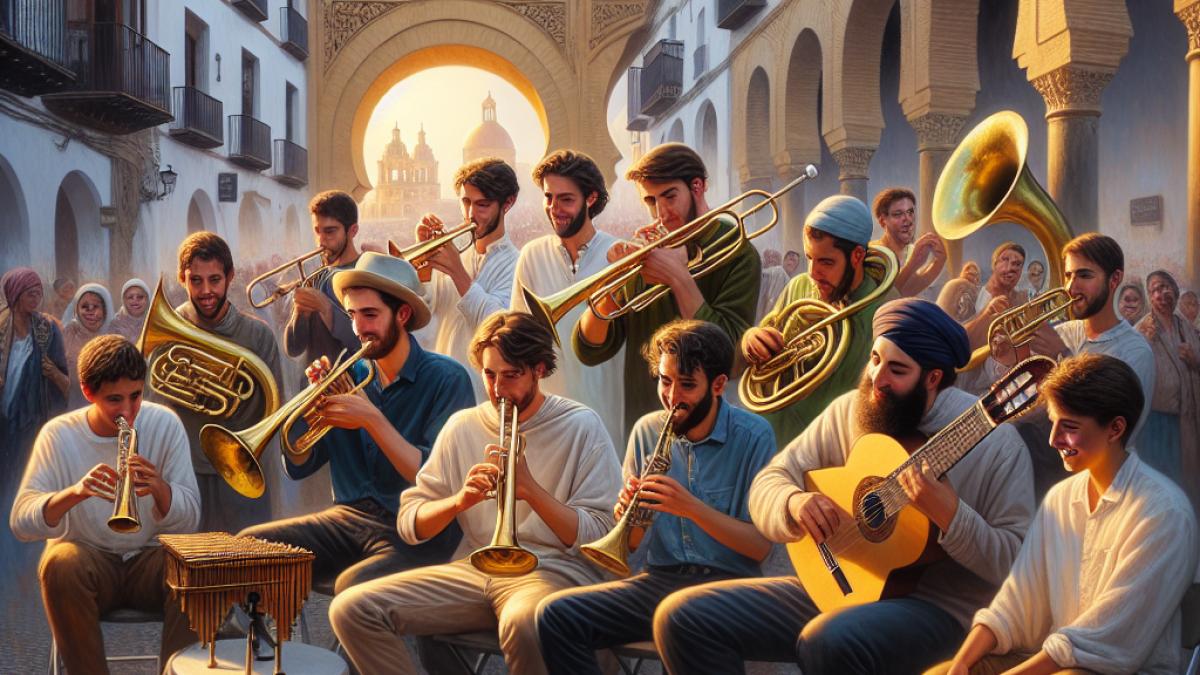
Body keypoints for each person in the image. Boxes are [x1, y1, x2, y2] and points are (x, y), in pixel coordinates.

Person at [654, 299, 1035, 675]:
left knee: (828, 640)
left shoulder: (998, 444)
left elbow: (1015, 566)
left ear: (933, 378)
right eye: (874, 360)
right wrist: (794, 502)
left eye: (897, 370)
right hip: (839, 587)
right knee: (682, 616)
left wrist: (951, 517)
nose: (877, 379)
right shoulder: (851, 410)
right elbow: (768, 483)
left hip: (942, 612)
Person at [329, 311, 622, 675]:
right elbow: (409, 521)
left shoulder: (581, 425)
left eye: (511, 375)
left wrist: (531, 491)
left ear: (540, 369)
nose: (497, 389)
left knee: (524, 623)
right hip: (476, 567)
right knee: (352, 609)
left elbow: (601, 533)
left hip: (556, 570)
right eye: (488, 374)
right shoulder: (463, 425)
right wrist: (457, 502)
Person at [929, 354, 1198, 675]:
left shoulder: (1163, 512)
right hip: (1055, 662)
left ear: (1115, 429)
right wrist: (961, 664)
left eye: (1069, 427)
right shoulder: (1060, 499)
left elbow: (1103, 641)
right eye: (1053, 422)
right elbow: (1016, 603)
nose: (1053, 439)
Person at [536, 320, 776, 675]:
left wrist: (690, 508)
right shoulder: (647, 429)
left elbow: (759, 547)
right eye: (665, 381)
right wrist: (629, 514)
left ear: (719, 384)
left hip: (731, 586)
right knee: (556, 616)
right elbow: (631, 545)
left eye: (687, 385)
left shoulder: (754, 436)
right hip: (662, 579)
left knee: (684, 618)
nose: (672, 396)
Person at [240, 252, 474, 592]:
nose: (359, 328)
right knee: (246, 547)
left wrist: (371, 419)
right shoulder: (346, 374)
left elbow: (432, 476)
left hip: (416, 530)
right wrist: (309, 411)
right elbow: (300, 464)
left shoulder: (447, 379)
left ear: (403, 314)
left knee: (353, 586)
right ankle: (264, 644)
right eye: (352, 315)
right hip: (347, 520)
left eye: (370, 314)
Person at [10, 335, 201, 674]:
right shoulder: (59, 434)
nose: (128, 411)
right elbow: (21, 521)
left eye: (136, 396)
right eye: (114, 399)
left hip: (149, 558)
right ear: (88, 392)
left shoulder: (164, 423)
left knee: (195, 564)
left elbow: (191, 519)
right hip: (88, 561)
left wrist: (160, 489)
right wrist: (75, 493)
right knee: (60, 564)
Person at [574, 143, 761, 434]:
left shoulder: (738, 252)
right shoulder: (649, 252)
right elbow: (590, 349)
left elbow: (732, 357)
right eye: (650, 201)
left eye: (669, 196)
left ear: (697, 187)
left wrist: (679, 279)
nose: (660, 213)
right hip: (644, 425)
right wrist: (612, 286)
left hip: (708, 430)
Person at [152, 231, 285, 532]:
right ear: (182, 279)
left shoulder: (257, 335)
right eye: (195, 281)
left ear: (230, 277)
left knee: (247, 559)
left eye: (214, 279)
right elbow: (153, 405)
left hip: (241, 472)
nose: (206, 291)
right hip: (184, 470)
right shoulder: (167, 332)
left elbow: (274, 410)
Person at [742, 195, 894, 446]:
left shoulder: (880, 313)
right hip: (771, 435)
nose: (813, 273)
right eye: (809, 258)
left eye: (826, 261)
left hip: (830, 445)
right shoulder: (799, 286)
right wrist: (753, 340)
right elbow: (767, 337)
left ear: (857, 256)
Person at [510, 150, 626, 449]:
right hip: (546, 420)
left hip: (608, 414)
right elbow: (518, 342)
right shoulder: (532, 255)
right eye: (548, 197)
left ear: (590, 198)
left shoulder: (620, 255)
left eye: (566, 199)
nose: (554, 208)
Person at [1027, 234, 1154, 496]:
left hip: (1107, 481)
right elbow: (1034, 399)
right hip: (1053, 466)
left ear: (1114, 279)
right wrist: (1009, 354)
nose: (1072, 288)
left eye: (1084, 276)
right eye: (1068, 276)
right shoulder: (1067, 331)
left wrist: (1061, 355)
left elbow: (1116, 433)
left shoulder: (1136, 350)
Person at [417, 157, 521, 400]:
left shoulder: (517, 263)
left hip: (482, 396)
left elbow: (497, 324)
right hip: (441, 390)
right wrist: (423, 262)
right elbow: (423, 312)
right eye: (466, 202)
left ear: (508, 203)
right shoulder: (453, 252)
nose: (471, 214)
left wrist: (457, 272)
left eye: (482, 204)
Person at [0, 268, 69, 575]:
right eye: (29, 292)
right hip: (4, 427)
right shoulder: (1, 327)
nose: (35, 298)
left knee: (29, 487)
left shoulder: (47, 329)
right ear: (14, 295)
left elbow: (64, 379)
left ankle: (29, 561)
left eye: (38, 292)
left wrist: (52, 371)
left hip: (35, 423)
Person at [1134, 270, 1200, 507]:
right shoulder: (1143, 328)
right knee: (1160, 481)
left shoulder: (1186, 327)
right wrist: (1144, 342)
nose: (1161, 294)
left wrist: (1195, 359)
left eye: (1164, 287)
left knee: (1185, 478)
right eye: (1154, 290)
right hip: (1155, 420)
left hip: (1185, 419)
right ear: (1150, 298)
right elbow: (1133, 367)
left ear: (1174, 289)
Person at [283, 190, 362, 367]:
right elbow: (294, 348)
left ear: (352, 231)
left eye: (330, 232)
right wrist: (299, 313)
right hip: (316, 387)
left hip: (356, 386)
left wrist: (327, 309)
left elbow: (365, 343)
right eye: (317, 231)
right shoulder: (316, 277)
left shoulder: (366, 273)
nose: (321, 241)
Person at [870, 187, 946, 297]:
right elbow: (884, 298)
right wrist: (913, 264)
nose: (908, 219)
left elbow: (910, 289)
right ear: (882, 221)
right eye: (898, 214)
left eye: (910, 212)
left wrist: (940, 261)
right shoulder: (874, 253)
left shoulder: (910, 250)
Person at [62, 282, 114, 409]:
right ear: (76, 309)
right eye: (85, 307)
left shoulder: (115, 335)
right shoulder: (68, 333)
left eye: (96, 306)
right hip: (73, 407)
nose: (90, 312)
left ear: (106, 310)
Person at [965, 243, 1026, 351]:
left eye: (1017, 264)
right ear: (994, 264)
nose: (1010, 268)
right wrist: (987, 314)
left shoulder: (1021, 300)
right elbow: (958, 339)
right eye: (1005, 260)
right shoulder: (972, 296)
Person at [107, 278, 150, 343]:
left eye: (140, 297)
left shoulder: (154, 322)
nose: (135, 301)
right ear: (124, 300)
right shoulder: (115, 325)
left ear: (148, 299)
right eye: (130, 297)